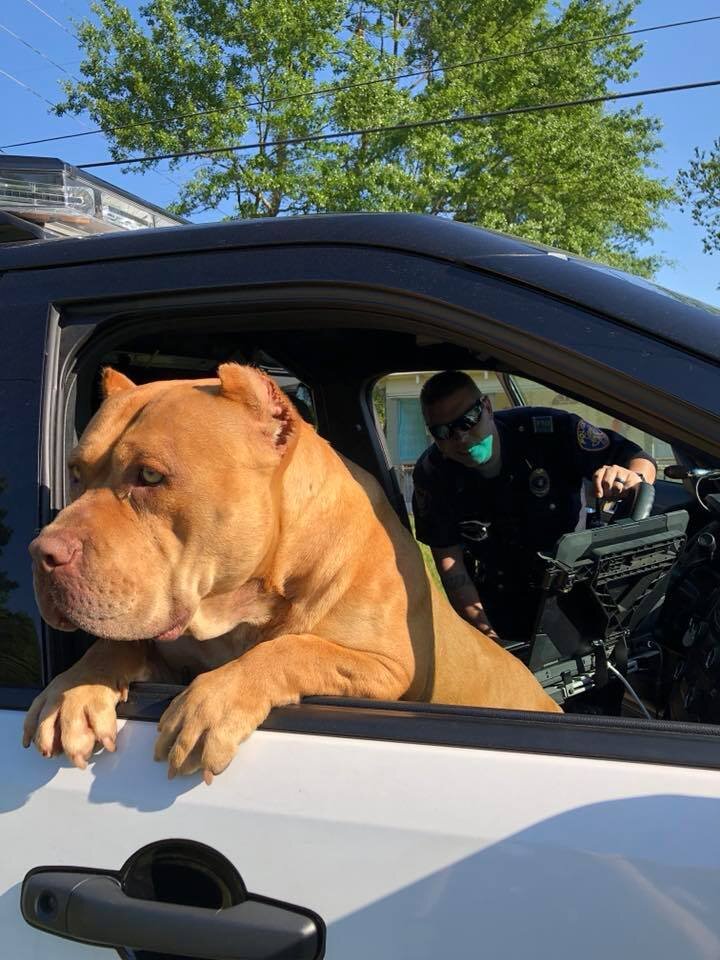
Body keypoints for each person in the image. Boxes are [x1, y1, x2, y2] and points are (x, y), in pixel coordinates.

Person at [412, 371, 657, 642]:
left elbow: (638, 458)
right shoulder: (433, 475)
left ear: (488, 408)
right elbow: (451, 564)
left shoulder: (548, 430)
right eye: (443, 431)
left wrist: (631, 479)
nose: (460, 438)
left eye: (468, 420)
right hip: (499, 597)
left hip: (576, 588)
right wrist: (487, 636)